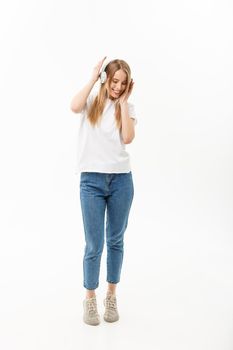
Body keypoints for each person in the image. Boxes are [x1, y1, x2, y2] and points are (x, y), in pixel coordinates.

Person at [70, 57, 137, 326]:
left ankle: (111, 296)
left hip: (121, 181)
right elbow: (73, 105)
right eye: (114, 81)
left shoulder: (127, 107)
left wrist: (122, 103)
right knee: (94, 244)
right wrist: (93, 77)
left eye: (123, 83)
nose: (118, 87)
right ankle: (89, 298)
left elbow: (128, 138)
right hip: (91, 182)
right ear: (105, 80)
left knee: (116, 241)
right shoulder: (91, 103)